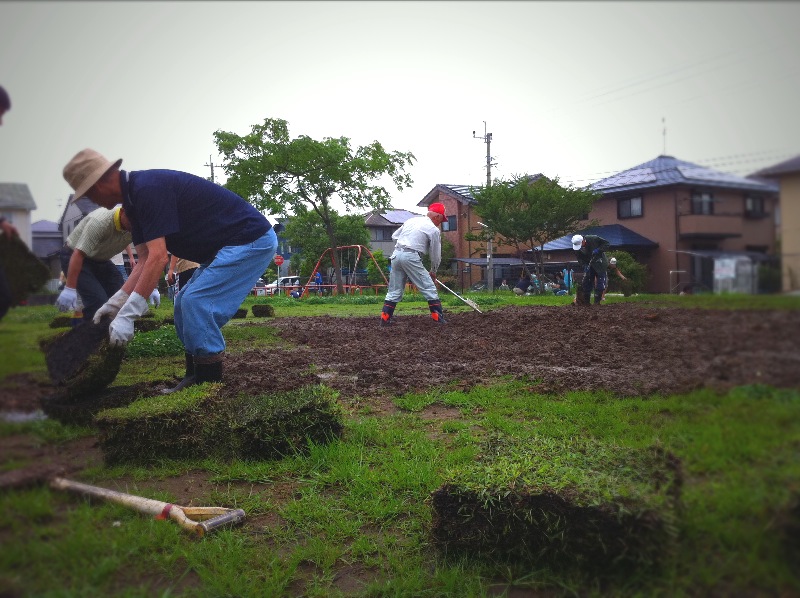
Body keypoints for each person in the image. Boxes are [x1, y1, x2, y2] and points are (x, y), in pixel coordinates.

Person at [63, 149, 277, 390]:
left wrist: (130, 315)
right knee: (182, 303)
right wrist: (115, 304)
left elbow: (158, 257)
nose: (94, 201)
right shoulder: (133, 205)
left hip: (250, 238)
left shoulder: (148, 190)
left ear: (101, 182)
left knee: (197, 302)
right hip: (221, 248)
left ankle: (209, 380)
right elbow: (144, 260)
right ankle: (194, 374)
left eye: (90, 194)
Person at [55, 206, 150, 322]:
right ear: (122, 212)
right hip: (75, 256)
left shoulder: (136, 227)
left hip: (100, 260)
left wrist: (149, 289)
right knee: (97, 301)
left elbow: (145, 258)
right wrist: (69, 288)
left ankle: (111, 332)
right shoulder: (100, 222)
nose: (136, 225)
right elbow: (78, 254)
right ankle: (89, 335)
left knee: (120, 294)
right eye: (133, 220)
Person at [379, 202, 448, 326]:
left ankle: (385, 319)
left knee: (394, 291)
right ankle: (438, 319)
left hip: (396, 254)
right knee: (429, 288)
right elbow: (435, 254)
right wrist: (433, 271)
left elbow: (395, 236)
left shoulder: (412, 221)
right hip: (411, 256)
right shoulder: (433, 230)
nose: (440, 223)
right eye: (441, 220)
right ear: (436, 216)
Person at [572, 233, 609, 305]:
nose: (580, 247)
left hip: (600, 263)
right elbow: (580, 258)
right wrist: (584, 266)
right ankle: (586, 303)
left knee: (600, 283)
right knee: (586, 282)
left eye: (580, 245)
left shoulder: (593, 239)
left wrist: (599, 249)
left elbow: (607, 244)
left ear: (583, 241)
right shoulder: (576, 248)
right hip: (589, 264)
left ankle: (597, 302)